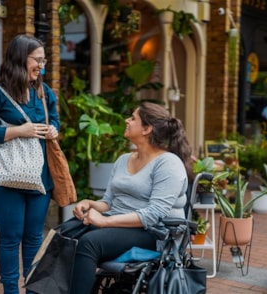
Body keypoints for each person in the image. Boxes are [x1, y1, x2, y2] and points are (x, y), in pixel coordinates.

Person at [68, 102, 192, 294]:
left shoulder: (168, 163)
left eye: (133, 118)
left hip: (155, 233)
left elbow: (154, 214)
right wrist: (89, 203)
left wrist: (104, 222)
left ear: (147, 129)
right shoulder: (124, 159)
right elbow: (108, 202)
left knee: (89, 243)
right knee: (66, 234)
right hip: (119, 225)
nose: (127, 120)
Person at [0, 35, 60, 294]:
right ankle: (11, 291)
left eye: (43, 60)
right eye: (38, 59)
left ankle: (33, 290)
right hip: (5, 178)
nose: (42, 66)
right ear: (20, 58)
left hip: (40, 178)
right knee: (11, 239)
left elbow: (55, 120)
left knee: (35, 237)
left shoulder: (44, 93)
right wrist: (19, 131)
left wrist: (54, 131)